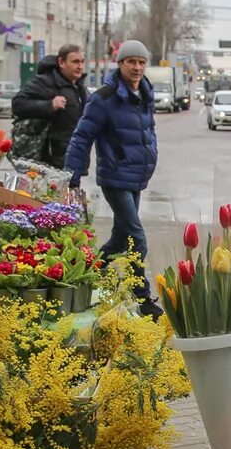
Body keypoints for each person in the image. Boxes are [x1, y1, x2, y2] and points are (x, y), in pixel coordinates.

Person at [65, 40, 161, 319]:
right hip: (115, 178)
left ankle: (86, 276)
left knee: (120, 240)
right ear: (120, 64)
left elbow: (146, 132)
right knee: (137, 240)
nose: (137, 67)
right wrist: (72, 176)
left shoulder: (144, 94)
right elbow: (82, 136)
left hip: (136, 178)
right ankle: (142, 300)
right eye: (131, 61)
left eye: (142, 62)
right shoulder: (104, 98)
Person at [11, 44, 88, 168]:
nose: (80, 67)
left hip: (74, 159)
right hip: (49, 161)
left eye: (82, 62)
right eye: (75, 62)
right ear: (61, 62)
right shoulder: (45, 82)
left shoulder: (80, 87)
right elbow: (18, 104)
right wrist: (49, 106)